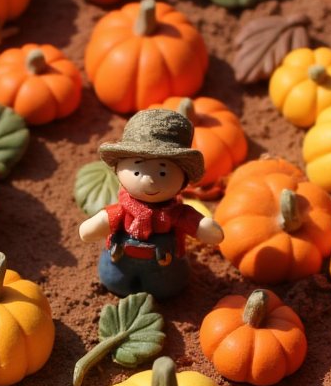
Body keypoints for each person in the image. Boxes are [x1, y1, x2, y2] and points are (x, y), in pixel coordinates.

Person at [78, 108, 223, 298]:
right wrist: (95, 226)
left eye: (162, 173)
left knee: (167, 286)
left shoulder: (176, 213)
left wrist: (205, 228)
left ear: (183, 178)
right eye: (137, 172)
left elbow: (195, 224)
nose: (148, 180)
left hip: (165, 267)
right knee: (115, 280)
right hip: (120, 261)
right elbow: (103, 222)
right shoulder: (123, 210)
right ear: (119, 168)